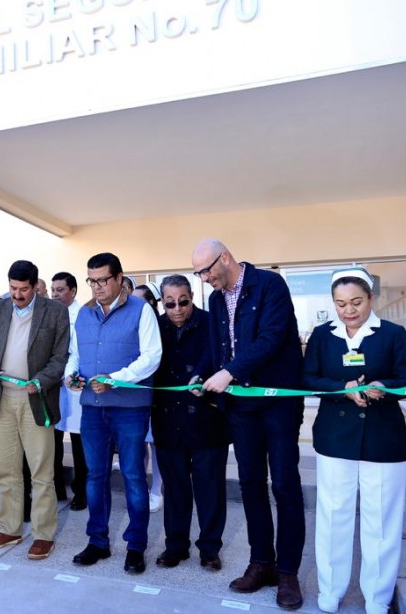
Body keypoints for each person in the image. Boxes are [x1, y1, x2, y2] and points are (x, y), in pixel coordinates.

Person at [193, 238, 306, 610]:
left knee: (285, 485)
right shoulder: (214, 299)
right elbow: (217, 345)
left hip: (277, 404)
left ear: (225, 258)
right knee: (251, 484)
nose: (204, 279)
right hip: (241, 408)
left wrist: (229, 371)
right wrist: (204, 376)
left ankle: (288, 572)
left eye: (206, 270)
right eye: (199, 273)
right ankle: (262, 564)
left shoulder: (270, 285)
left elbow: (272, 338)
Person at [302, 267, 406, 614]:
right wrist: (343, 390)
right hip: (336, 438)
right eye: (340, 304)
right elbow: (309, 378)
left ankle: (378, 596)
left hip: (383, 439)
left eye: (356, 302)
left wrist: (383, 387)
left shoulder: (393, 333)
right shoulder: (323, 335)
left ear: (371, 298)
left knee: (381, 519)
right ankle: (331, 590)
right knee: (334, 515)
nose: (348, 311)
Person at [67, 252, 162, 575]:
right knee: (95, 476)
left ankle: (136, 546)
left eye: (103, 280)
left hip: (130, 410)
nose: (97, 287)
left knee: (134, 476)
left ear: (120, 278)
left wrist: (116, 379)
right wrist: (72, 375)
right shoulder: (84, 313)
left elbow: (152, 357)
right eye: (91, 281)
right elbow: (75, 353)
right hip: (92, 410)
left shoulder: (141, 310)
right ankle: (98, 541)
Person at [0, 260, 69, 561]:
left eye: (23, 289)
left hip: (36, 401)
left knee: (42, 473)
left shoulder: (55, 312)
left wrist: (40, 381)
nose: (17, 295)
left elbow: (60, 358)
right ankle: (10, 528)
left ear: (35, 286)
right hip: (1, 399)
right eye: (13, 288)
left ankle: (43, 534)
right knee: (6, 469)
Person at [151, 275, 229, 570]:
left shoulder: (212, 322)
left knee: (210, 490)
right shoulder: (154, 327)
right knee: (175, 488)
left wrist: (203, 375)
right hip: (168, 420)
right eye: (169, 303)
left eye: (183, 301)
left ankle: (209, 549)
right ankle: (176, 546)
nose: (177, 309)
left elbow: (222, 358)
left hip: (208, 421)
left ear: (192, 296)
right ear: (162, 302)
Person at [50, 271, 87, 511]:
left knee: (78, 442)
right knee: (52, 439)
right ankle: (57, 488)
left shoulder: (83, 315)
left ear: (73, 291)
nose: (55, 294)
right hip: (52, 385)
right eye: (53, 290)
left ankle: (81, 490)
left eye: (60, 290)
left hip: (75, 385)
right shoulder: (49, 314)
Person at [133, 282, 164, 513]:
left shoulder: (161, 326)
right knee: (140, 443)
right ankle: (141, 489)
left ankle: (157, 491)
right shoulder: (134, 325)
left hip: (158, 396)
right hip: (137, 396)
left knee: (156, 445)